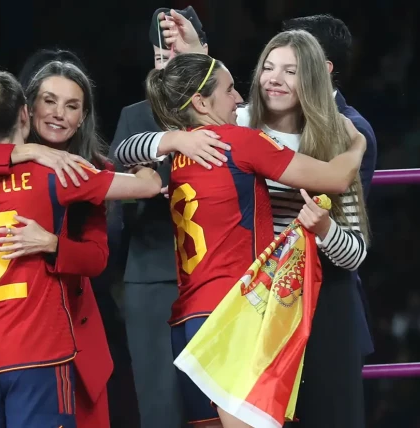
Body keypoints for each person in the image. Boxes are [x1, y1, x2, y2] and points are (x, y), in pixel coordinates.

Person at [0, 69, 162, 428]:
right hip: (40, 349)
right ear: (25, 112)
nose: (58, 113)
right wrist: (147, 167)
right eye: (49, 101)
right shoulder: (60, 174)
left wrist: (51, 242)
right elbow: (147, 187)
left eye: (71, 105)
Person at [143, 49, 367, 428]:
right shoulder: (238, 140)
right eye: (230, 90)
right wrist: (358, 142)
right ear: (200, 101)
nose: (239, 99)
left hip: (187, 320)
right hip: (233, 314)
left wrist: (168, 141)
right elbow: (336, 178)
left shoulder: (179, 149)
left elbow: (126, 148)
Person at [108, 7, 230, 428]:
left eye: (182, 57)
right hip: (154, 269)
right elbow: (118, 171)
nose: (171, 71)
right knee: (159, 402)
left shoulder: (231, 110)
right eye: (163, 60)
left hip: (220, 274)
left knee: (223, 400)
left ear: (204, 55)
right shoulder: (135, 116)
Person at [281, 13, 377, 358]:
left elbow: (348, 229)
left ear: (323, 67)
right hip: (275, 294)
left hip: (325, 293)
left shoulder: (351, 131)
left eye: (294, 60)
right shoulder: (269, 119)